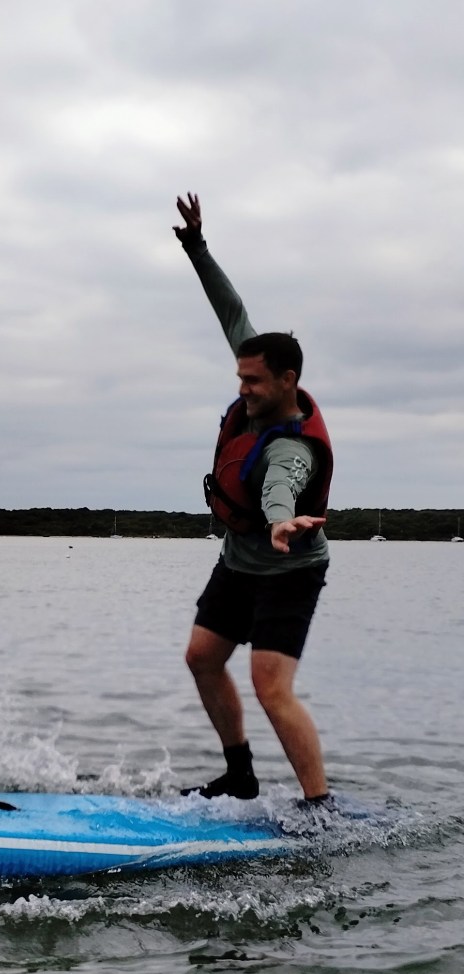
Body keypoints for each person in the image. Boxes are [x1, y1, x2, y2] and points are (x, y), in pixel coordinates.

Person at [173, 194, 334, 806]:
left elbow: (277, 490)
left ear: (288, 380)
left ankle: (319, 806)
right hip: (241, 561)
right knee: (202, 657)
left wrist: (278, 522)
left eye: (253, 381)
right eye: (240, 378)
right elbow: (231, 310)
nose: (242, 388)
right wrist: (197, 248)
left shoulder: (294, 448)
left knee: (271, 686)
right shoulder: (260, 379)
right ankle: (239, 774)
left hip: (288, 567)